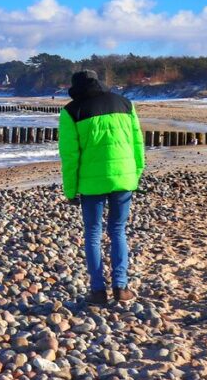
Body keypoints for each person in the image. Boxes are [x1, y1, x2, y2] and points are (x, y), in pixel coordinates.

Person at [58, 70, 145, 305]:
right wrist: (135, 174)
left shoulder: (71, 111)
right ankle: (120, 286)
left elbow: (69, 155)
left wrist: (70, 190)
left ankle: (97, 291)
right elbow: (138, 143)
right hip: (124, 179)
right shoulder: (125, 104)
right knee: (118, 230)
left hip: (91, 182)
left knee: (93, 234)